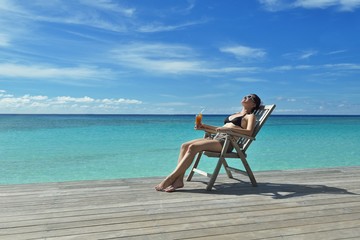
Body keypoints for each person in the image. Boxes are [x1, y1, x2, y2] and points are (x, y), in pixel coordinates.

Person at [155, 94, 262, 192]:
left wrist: (230, 131)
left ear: (253, 104)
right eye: (246, 96)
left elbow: (249, 133)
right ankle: (179, 180)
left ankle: (170, 178)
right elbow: (219, 129)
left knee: (192, 147)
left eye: (249, 97)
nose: (245, 97)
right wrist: (204, 126)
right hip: (216, 138)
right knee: (184, 146)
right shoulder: (235, 114)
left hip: (226, 143)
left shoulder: (250, 116)